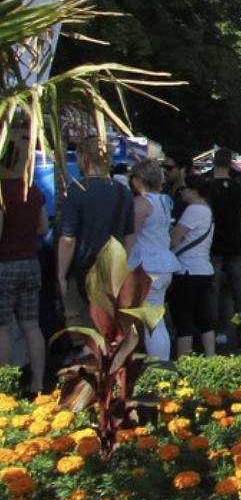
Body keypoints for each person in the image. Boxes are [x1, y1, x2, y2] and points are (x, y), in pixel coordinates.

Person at [56, 135, 135, 340]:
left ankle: (87, 368)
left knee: (82, 330)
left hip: (82, 269)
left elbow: (68, 239)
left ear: (83, 157)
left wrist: (61, 275)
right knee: (109, 329)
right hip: (112, 271)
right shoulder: (122, 192)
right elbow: (129, 235)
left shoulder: (76, 191)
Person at [0, 136, 48, 394]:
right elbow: (43, 227)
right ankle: (38, 383)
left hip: (4, 265)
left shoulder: (1, 191)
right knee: (31, 325)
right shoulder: (33, 190)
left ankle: (5, 387)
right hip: (30, 263)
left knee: (2, 328)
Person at [127, 158, 181, 363]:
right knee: (157, 321)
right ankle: (162, 363)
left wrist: (123, 261)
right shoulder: (164, 201)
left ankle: (157, 366)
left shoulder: (142, 202)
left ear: (139, 179)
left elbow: (130, 235)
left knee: (149, 321)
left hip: (146, 266)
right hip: (162, 262)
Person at [168, 175, 217, 357]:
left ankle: (184, 360)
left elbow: (174, 239)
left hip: (187, 269)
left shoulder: (193, 210)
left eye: (185, 189)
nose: (183, 193)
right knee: (204, 317)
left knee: (184, 318)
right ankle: (211, 356)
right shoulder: (207, 209)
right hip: (204, 268)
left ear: (194, 190)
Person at [207, 148, 241, 345]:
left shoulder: (207, 187)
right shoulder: (238, 188)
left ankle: (214, 332)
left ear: (214, 162)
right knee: (240, 294)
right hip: (234, 243)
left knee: (213, 294)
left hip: (213, 244)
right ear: (230, 163)